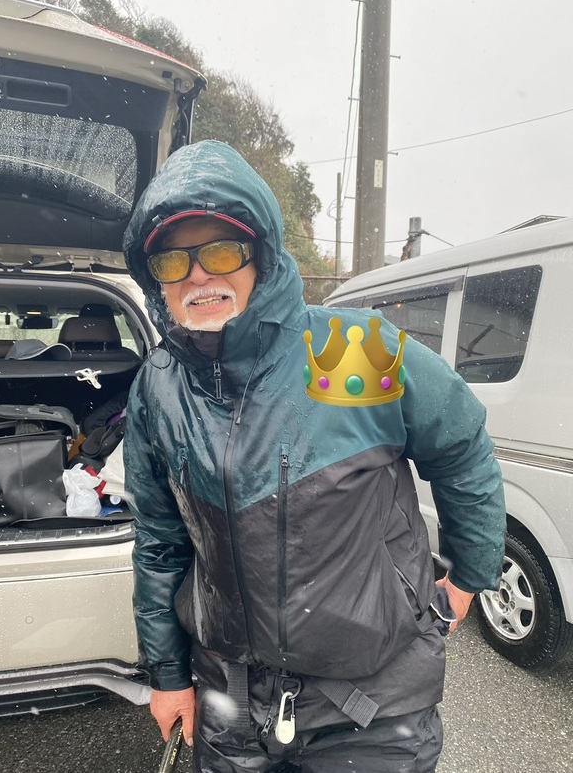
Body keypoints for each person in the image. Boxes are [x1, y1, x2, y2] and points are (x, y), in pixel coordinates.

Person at [122, 139, 506, 772]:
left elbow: (461, 445)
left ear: (262, 255)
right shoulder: (157, 388)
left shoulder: (351, 352)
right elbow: (160, 538)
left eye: (221, 251)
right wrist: (167, 674)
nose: (199, 275)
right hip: (228, 697)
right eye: (172, 260)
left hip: (372, 702)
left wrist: (470, 575)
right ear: (153, 276)